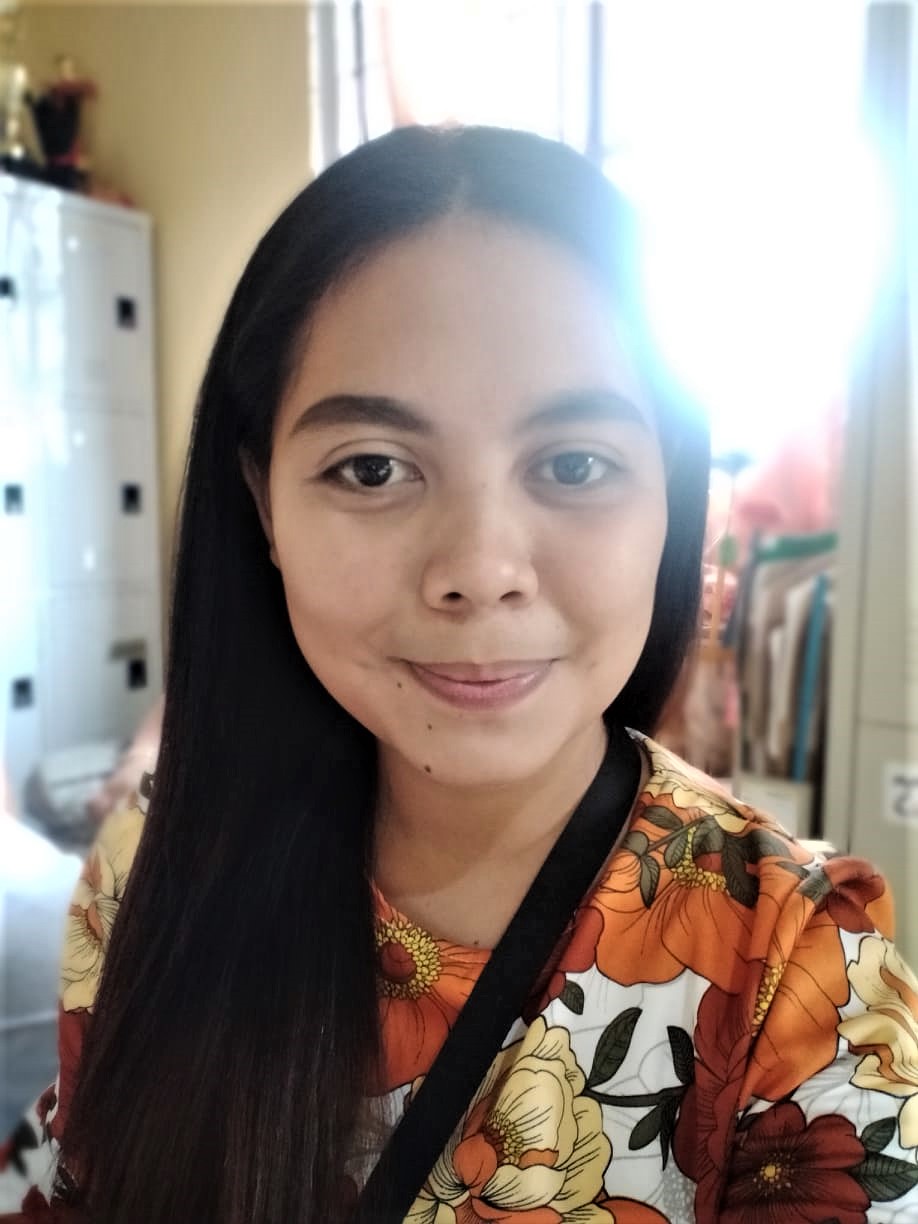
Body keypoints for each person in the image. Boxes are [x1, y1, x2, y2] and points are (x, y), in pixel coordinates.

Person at [1, 124, 916, 1224]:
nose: (481, 572)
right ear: (263, 506)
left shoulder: (798, 970)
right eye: (372, 468)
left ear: (672, 505)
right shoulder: (150, 881)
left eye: (574, 463)